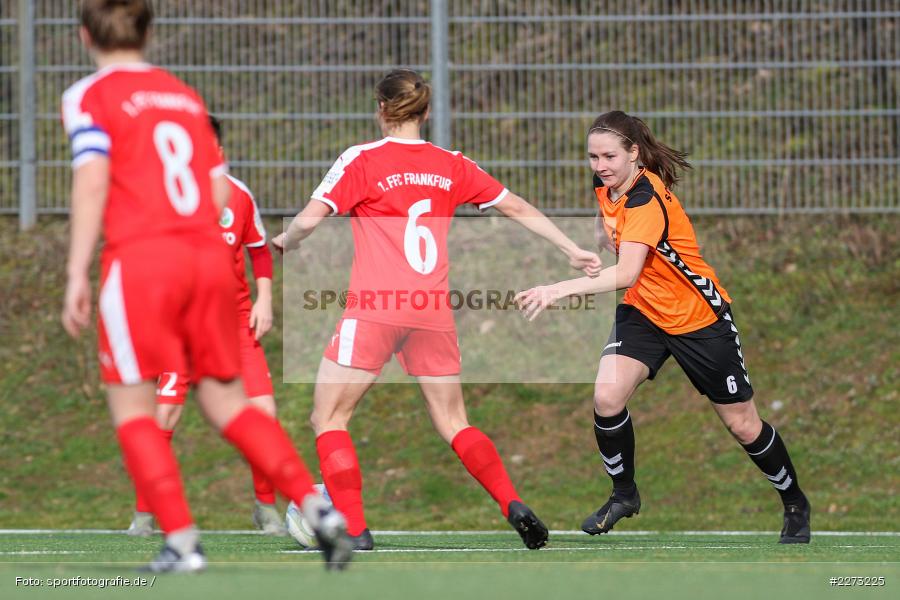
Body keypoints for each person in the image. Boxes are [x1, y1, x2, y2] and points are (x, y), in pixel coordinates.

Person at [61, 0, 352, 571]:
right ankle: (317, 508)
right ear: (149, 32)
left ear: (83, 36)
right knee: (226, 402)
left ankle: (183, 542)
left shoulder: (88, 94)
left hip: (143, 261)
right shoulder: (182, 96)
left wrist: (76, 269)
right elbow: (218, 193)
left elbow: (92, 182)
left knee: (133, 408)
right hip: (206, 262)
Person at [272, 69, 601, 551]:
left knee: (329, 418)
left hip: (377, 308)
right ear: (425, 113)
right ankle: (512, 502)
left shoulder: (361, 159)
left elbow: (309, 220)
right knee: (455, 422)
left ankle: (357, 529)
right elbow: (516, 208)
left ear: (381, 109)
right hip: (432, 312)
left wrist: (286, 241)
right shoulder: (450, 163)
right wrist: (571, 249)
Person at [515, 110, 811, 544]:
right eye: (593, 156)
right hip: (645, 313)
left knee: (743, 425)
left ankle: (794, 502)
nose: (600, 166)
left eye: (609, 156)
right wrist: (599, 239)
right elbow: (609, 224)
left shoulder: (645, 200)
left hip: (697, 318)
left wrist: (556, 289)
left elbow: (626, 274)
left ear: (634, 154)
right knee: (606, 395)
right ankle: (624, 495)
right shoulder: (608, 183)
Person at [127, 116, 287, 537]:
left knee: (263, 414)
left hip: (234, 324)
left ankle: (266, 508)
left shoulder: (239, 196)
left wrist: (264, 300)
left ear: (220, 153)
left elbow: (260, 253)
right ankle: (145, 514)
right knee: (165, 414)